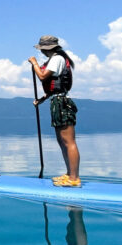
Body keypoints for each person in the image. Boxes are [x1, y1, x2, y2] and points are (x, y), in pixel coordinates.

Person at [28, 35, 80, 187]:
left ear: (46, 48)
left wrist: (34, 63)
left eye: (42, 49)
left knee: (69, 141)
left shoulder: (57, 59)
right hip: (56, 101)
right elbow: (54, 87)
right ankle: (69, 174)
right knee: (61, 141)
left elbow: (43, 76)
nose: (41, 52)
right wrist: (42, 99)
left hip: (63, 103)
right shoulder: (54, 59)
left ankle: (74, 178)